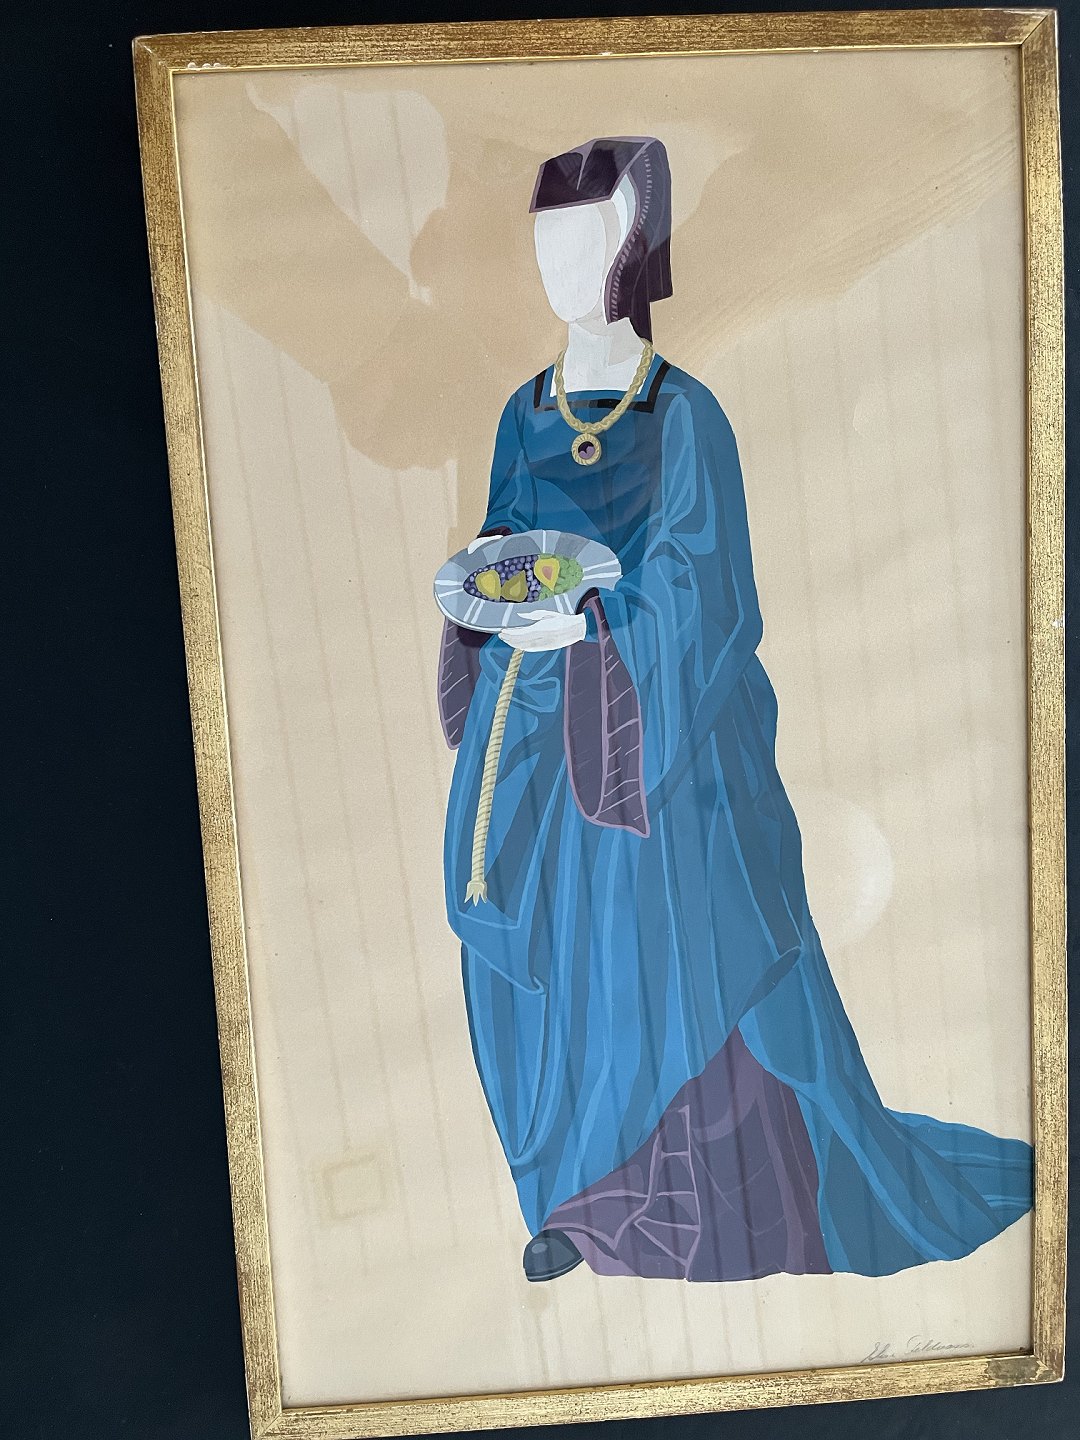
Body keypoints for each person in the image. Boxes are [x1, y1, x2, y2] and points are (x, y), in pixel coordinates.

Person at [437, 136, 1032, 1283]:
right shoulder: (524, 410)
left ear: (633, 251)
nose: (561, 269)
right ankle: (573, 1205)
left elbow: (705, 591)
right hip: (551, 735)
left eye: (584, 244)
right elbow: (505, 541)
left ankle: (740, 1195)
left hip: (667, 740)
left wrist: (597, 628)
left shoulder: (686, 415)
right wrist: (497, 595)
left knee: (685, 953)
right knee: (572, 964)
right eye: (544, 245)